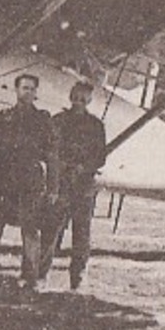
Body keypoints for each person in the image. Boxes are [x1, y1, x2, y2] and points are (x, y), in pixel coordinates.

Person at [0, 73, 56, 288]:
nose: (28, 92)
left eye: (32, 89)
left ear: (36, 93)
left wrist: (52, 187)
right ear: (16, 90)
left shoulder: (43, 119)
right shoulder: (5, 117)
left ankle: (29, 275)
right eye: (24, 88)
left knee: (30, 229)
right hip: (5, 180)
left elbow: (51, 155)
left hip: (29, 182)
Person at [42, 80, 108, 290]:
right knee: (51, 231)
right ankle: (41, 274)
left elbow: (100, 157)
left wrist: (83, 167)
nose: (78, 102)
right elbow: (47, 149)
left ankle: (77, 276)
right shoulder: (58, 121)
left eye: (83, 99)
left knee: (81, 235)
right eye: (75, 97)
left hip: (83, 187)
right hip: (60, 185)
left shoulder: (96, 126)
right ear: (70, 97)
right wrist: (60, 166)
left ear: (89, 101)